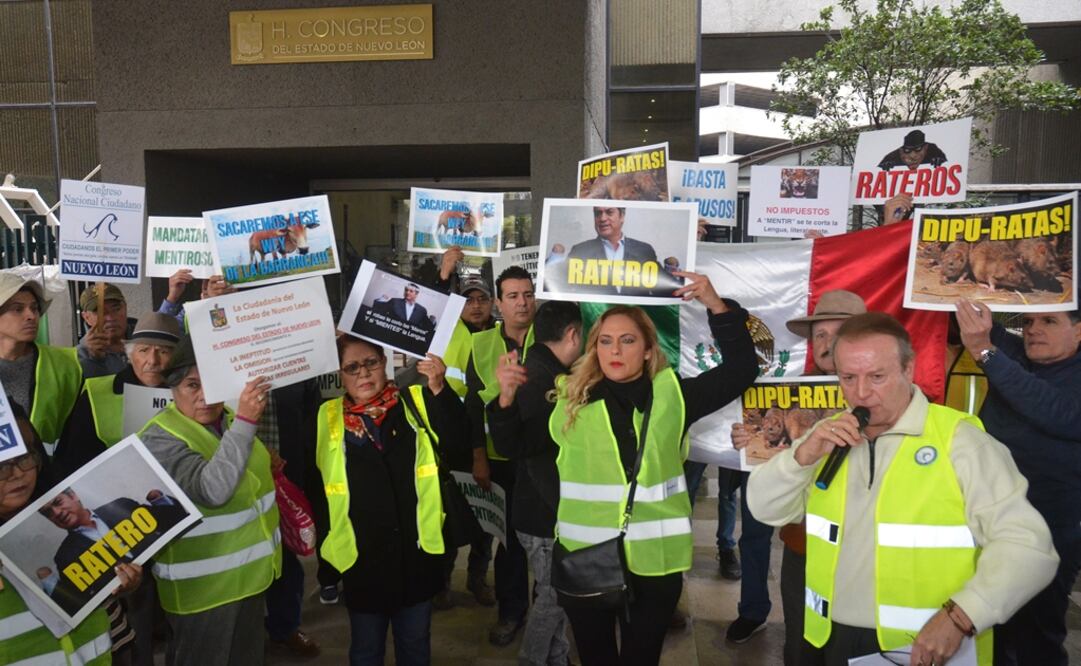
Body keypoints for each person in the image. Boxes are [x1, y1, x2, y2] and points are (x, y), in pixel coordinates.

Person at [747, 312, 1058, 666]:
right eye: (848, 377)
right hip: (825, 639)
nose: (861, 392)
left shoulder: (959, 442)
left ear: (908, 370)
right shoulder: (827, 436)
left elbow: (1029, 547)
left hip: (926, 647)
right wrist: (801, 456)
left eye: (877, 377)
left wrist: (962, 616)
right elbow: (764, 507)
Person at [549, 272, 758, 665]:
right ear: (593, 348)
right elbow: (529, 460)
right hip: (585, 558)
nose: (615, 350)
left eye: (628, 340)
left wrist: (715, 304)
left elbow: (743, 368)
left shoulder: (675, 396)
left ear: (647, 350)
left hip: (655, 565)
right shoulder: (568, 399)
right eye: (605, 341)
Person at [727, 290, 869, 651]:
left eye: (839, 334)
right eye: (820, 335)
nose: (828, 343)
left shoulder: (886, 397)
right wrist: (752, 441)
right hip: (803, 546)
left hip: (866, 552)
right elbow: (770, 477)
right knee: (802, 646)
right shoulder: (786, 394)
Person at [315, 335, 468, 665]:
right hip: (360, 557)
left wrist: (440, 387)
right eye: (352, 367)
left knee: (414, 644)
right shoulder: (327, 416)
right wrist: (327, 560)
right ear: (340, 374)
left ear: (384, 364)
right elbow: (321, 488)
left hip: (416, 552)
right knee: (366, 648)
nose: (363, 373)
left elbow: (458, 443)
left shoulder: (415, 401)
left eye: (371, 362)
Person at [138, 336, 280, 666]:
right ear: (172, 388)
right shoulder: (160, 436)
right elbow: (213, 490)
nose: (205, 397)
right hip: (203, 593)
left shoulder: (228, 419)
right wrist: (246, 423)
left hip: (249, 579)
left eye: (214, 383)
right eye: (192, 385)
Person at [955, 301, 1081, 665]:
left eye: (1048, 321)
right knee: (992, 625)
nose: (1032, 329)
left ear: (1078, 330)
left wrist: (985, 352)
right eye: (1027, 321)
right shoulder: (1019, 357)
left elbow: (1052, 410)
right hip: (988, 519)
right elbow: (966, 312)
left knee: (1036, 633)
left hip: (1051, 527)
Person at [0, 408, 141, 666]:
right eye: (1, 464)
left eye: (25, 455)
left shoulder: (64, 519)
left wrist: (119, 585)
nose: (18, 472)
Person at [487, 300, 583, 666]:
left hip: (545, 509)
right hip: (543, 512)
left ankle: (556, 658)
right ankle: (532, 659)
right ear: (573, 333)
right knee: (554, 596)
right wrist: (506, 400)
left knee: (555, 594)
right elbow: (518, 447)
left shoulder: (550, 370)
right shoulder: (541, 377)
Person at [465, 265, 536, 646]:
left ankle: (546, 610)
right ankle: (511, 612)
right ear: (498, 303)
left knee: (545, 540)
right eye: (513, 296)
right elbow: (474, 409)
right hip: (501, 459)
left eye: (527, 294)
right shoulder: (483, 345)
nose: (522, 303)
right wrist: (479, 456)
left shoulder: (554, 336)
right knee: (508, 542)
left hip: (545, 458)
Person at [430, 273, 497, 610]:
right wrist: (443, 274)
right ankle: (442, 581)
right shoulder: (446, 331)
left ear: (492, 303)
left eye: (482, 299)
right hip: (451, 437)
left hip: (489, 440)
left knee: (485, 515)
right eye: (468, 300)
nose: (475, 306)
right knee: (450, 512)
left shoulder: (500, 336)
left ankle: (477, 577)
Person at [54, 312, 182, 478]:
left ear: (178, 358)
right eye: (144, 350)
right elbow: (72, 462)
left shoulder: (194, 395)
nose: (152, 360)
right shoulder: (97, 392)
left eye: (163, 352)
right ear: (130, 354)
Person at [38, 486, 182, 614]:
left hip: (174, 583)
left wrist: (160, 500)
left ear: (73, 495)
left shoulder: (122, 505)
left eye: (58, 502)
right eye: (48, 513)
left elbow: (174, 518)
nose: (56, 512)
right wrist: (50, 583)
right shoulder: (65, 556)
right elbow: (78, 603)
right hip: (135, 611)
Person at [0, 273, 83, 444]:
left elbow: (74, 432)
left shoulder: (65, 364)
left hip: (47, 468)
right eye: (18, 309)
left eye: (35, 308)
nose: (31, 316)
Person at [562, 207, 659, 296]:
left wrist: (673, 285)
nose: (602, 218)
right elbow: (559, 283)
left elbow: (662, 287)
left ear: (622, 216)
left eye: (609, 212)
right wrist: (554, 258)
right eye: (598, 213)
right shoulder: (580, 251)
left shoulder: (644, 250)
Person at [77, 283, 130, 378]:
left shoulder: (146, 341)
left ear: (125, 308)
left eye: (116, 309)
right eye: (100, 312)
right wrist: (94, 360)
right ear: (86, 317)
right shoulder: (77, 358)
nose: (110, 317)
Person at [877, 129, 948, 171]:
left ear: (926, 148)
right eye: (907, 151)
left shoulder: (932, 149)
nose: (913, 156)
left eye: (918, 149)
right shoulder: (893, 156)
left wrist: (939, 159)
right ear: (901, 151)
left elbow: (945, 161)